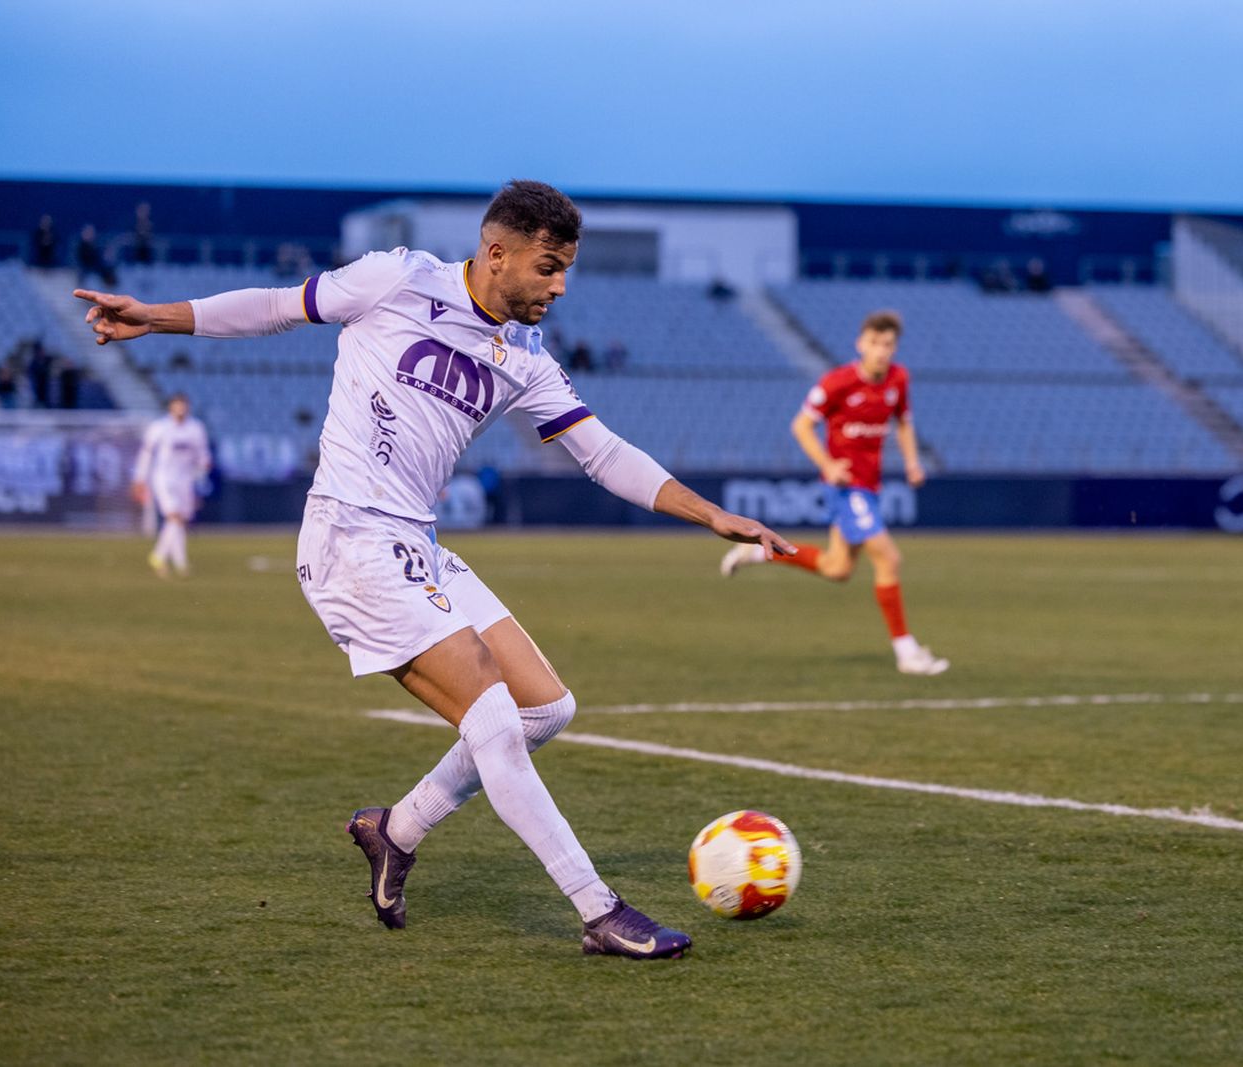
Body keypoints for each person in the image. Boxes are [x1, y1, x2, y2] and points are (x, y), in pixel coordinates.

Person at [74, 180, 793, 959]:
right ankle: (599, 909)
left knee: (546, 709)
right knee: (490, 718)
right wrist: (155, 314)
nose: (559, 286)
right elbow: (280, 305)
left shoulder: (525, 356)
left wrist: (710, 513)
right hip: (349, 538)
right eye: (547, 267)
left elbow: (604, 453)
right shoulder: (399, 278)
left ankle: (397, 828)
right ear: (496, 253)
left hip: (417, 542)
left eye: (566, 270)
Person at [721, 309, 948, 675]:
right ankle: (907, 652)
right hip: (845, 487)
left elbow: (904, 423)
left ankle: (761, 553)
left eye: (888, 344)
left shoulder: (898, 380)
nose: (881, 351)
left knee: (837, 568)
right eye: (874, 343)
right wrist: (827, 465)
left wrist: (911, 463)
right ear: (861, 344)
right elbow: (801, 426)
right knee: (888, 559)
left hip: (870, 488)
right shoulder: (837, 383)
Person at [132, 392, 212, 578]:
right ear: (170, 407)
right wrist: (140, 478)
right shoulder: (159, 428)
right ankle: (159, 556)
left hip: (185, 479)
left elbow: (202, 456)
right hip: (163, 478)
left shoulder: (195, 428)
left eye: (184, 405)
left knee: (179, 522)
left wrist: (203, 473)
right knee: (174, 517)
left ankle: (180, 564)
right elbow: (146, 454)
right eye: (177, 405)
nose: (181, 409)